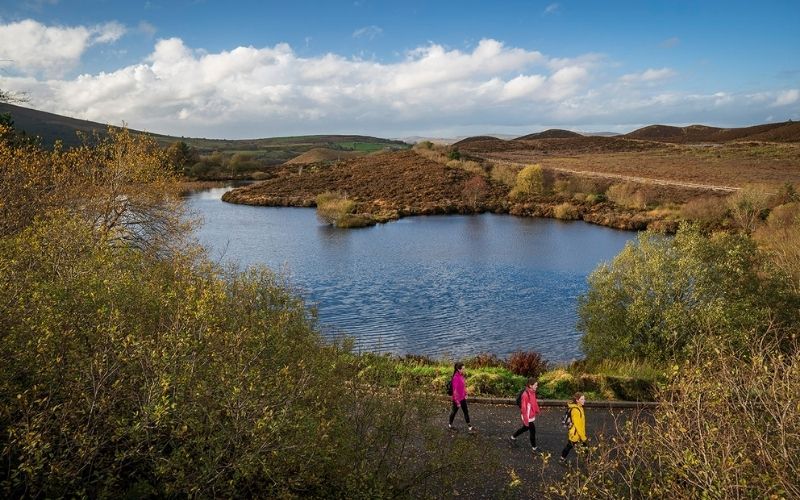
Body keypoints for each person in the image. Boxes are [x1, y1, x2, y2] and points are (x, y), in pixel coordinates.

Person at [510, 377, 541, 451]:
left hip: (530, 415)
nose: (537, 386)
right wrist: (526, 420)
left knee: (525, 428)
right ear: (530, 385)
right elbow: (524, 409)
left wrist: (537, 410)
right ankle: (534, 448)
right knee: (532, 431)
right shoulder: (525, 395)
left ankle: (513, 437)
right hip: (527, 416)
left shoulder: (532, 392)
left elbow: (534, 402)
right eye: (535, 385)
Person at [560, 392, 587, 464]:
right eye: (582, 399)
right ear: (577, 400)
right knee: (569, 446)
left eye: (584, 399)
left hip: (578, 433)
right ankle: (562, 459)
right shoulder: (576, 410)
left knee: (583, 446)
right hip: (575, 434)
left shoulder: (580, 407)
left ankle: (587, 459)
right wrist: (583, 437)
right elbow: (578, 426)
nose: (584, 400)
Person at [448, 362, 473, 431]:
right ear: (458, 369)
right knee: (454, 412)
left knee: (466, 411)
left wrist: (466, 393)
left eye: (464, 368)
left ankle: (469, 426)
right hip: (457, 399)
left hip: (462, 398)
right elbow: (455, 391)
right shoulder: (455, 378)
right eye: (463, 369)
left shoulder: (461, 375)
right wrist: (457, 402)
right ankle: (450, 425)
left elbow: (463, 386)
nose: (464, 370)